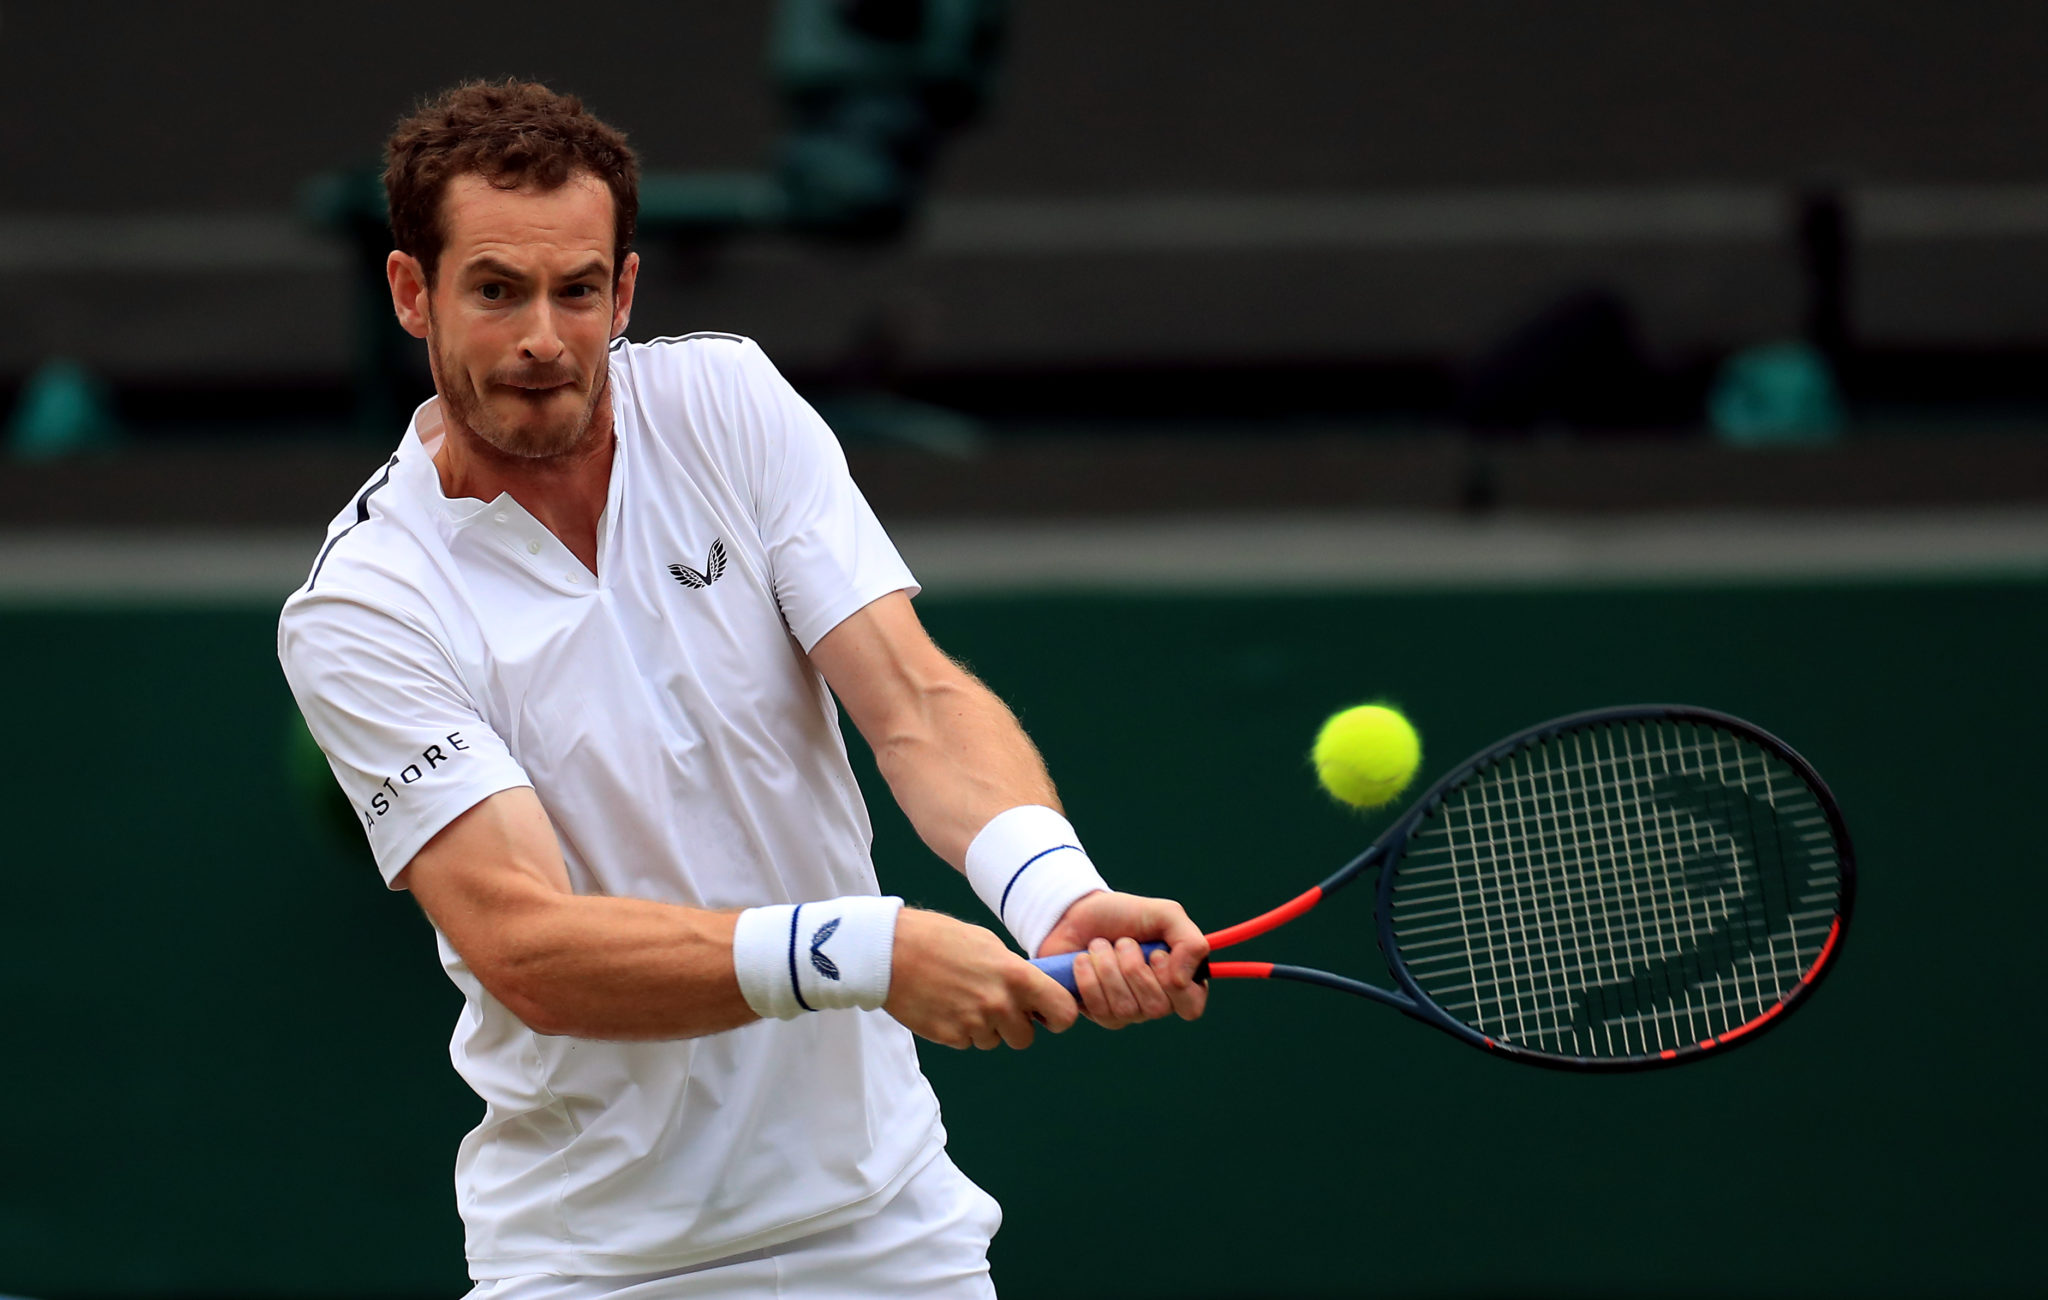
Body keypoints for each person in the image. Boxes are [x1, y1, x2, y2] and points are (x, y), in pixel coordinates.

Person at [277, 79, 1209, 1299]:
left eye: (576, 291)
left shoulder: (726, 404)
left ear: (623, 290)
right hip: (594, 1262)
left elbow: (912, 702)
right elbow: (526, 946)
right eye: (495, 290)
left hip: (888, 1227)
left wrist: (1052, 888)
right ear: (414, 293)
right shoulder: (365, 603)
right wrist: (859, 949)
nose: (543, 339)